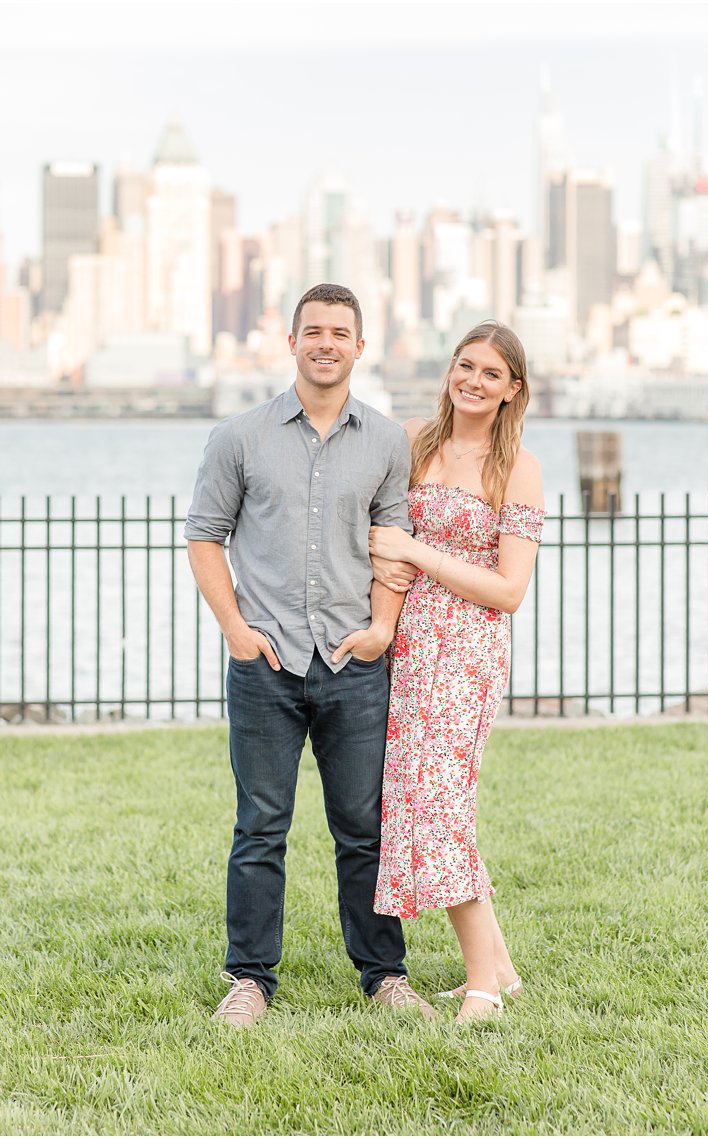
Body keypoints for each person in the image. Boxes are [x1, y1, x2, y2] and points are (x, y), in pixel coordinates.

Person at [187, 282, 435, 1026]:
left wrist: (383, 629)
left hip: (354, 665)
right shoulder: (239, 437)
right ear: (290, 341)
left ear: (361, 347)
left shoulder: (389, 441)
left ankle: (383, 973)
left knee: (363, 827)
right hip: (264, 665)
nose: (326, 343)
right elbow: (205, 536)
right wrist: (235, 628)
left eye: (340, 332)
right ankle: (250, 978)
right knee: (260, 826)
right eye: (313, 331)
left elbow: (393, 546)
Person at [367, 319, 544, 1024]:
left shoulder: (517, 468)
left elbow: (509, 590)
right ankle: (499, 964)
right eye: (465, 365)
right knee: (428, 805)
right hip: (406, 649)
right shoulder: (413, 439)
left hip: (465, 654)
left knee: (439, 807)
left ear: (512, 390)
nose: (473, 380)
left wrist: (418, 550)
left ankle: (483, 988)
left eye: (491, 373)